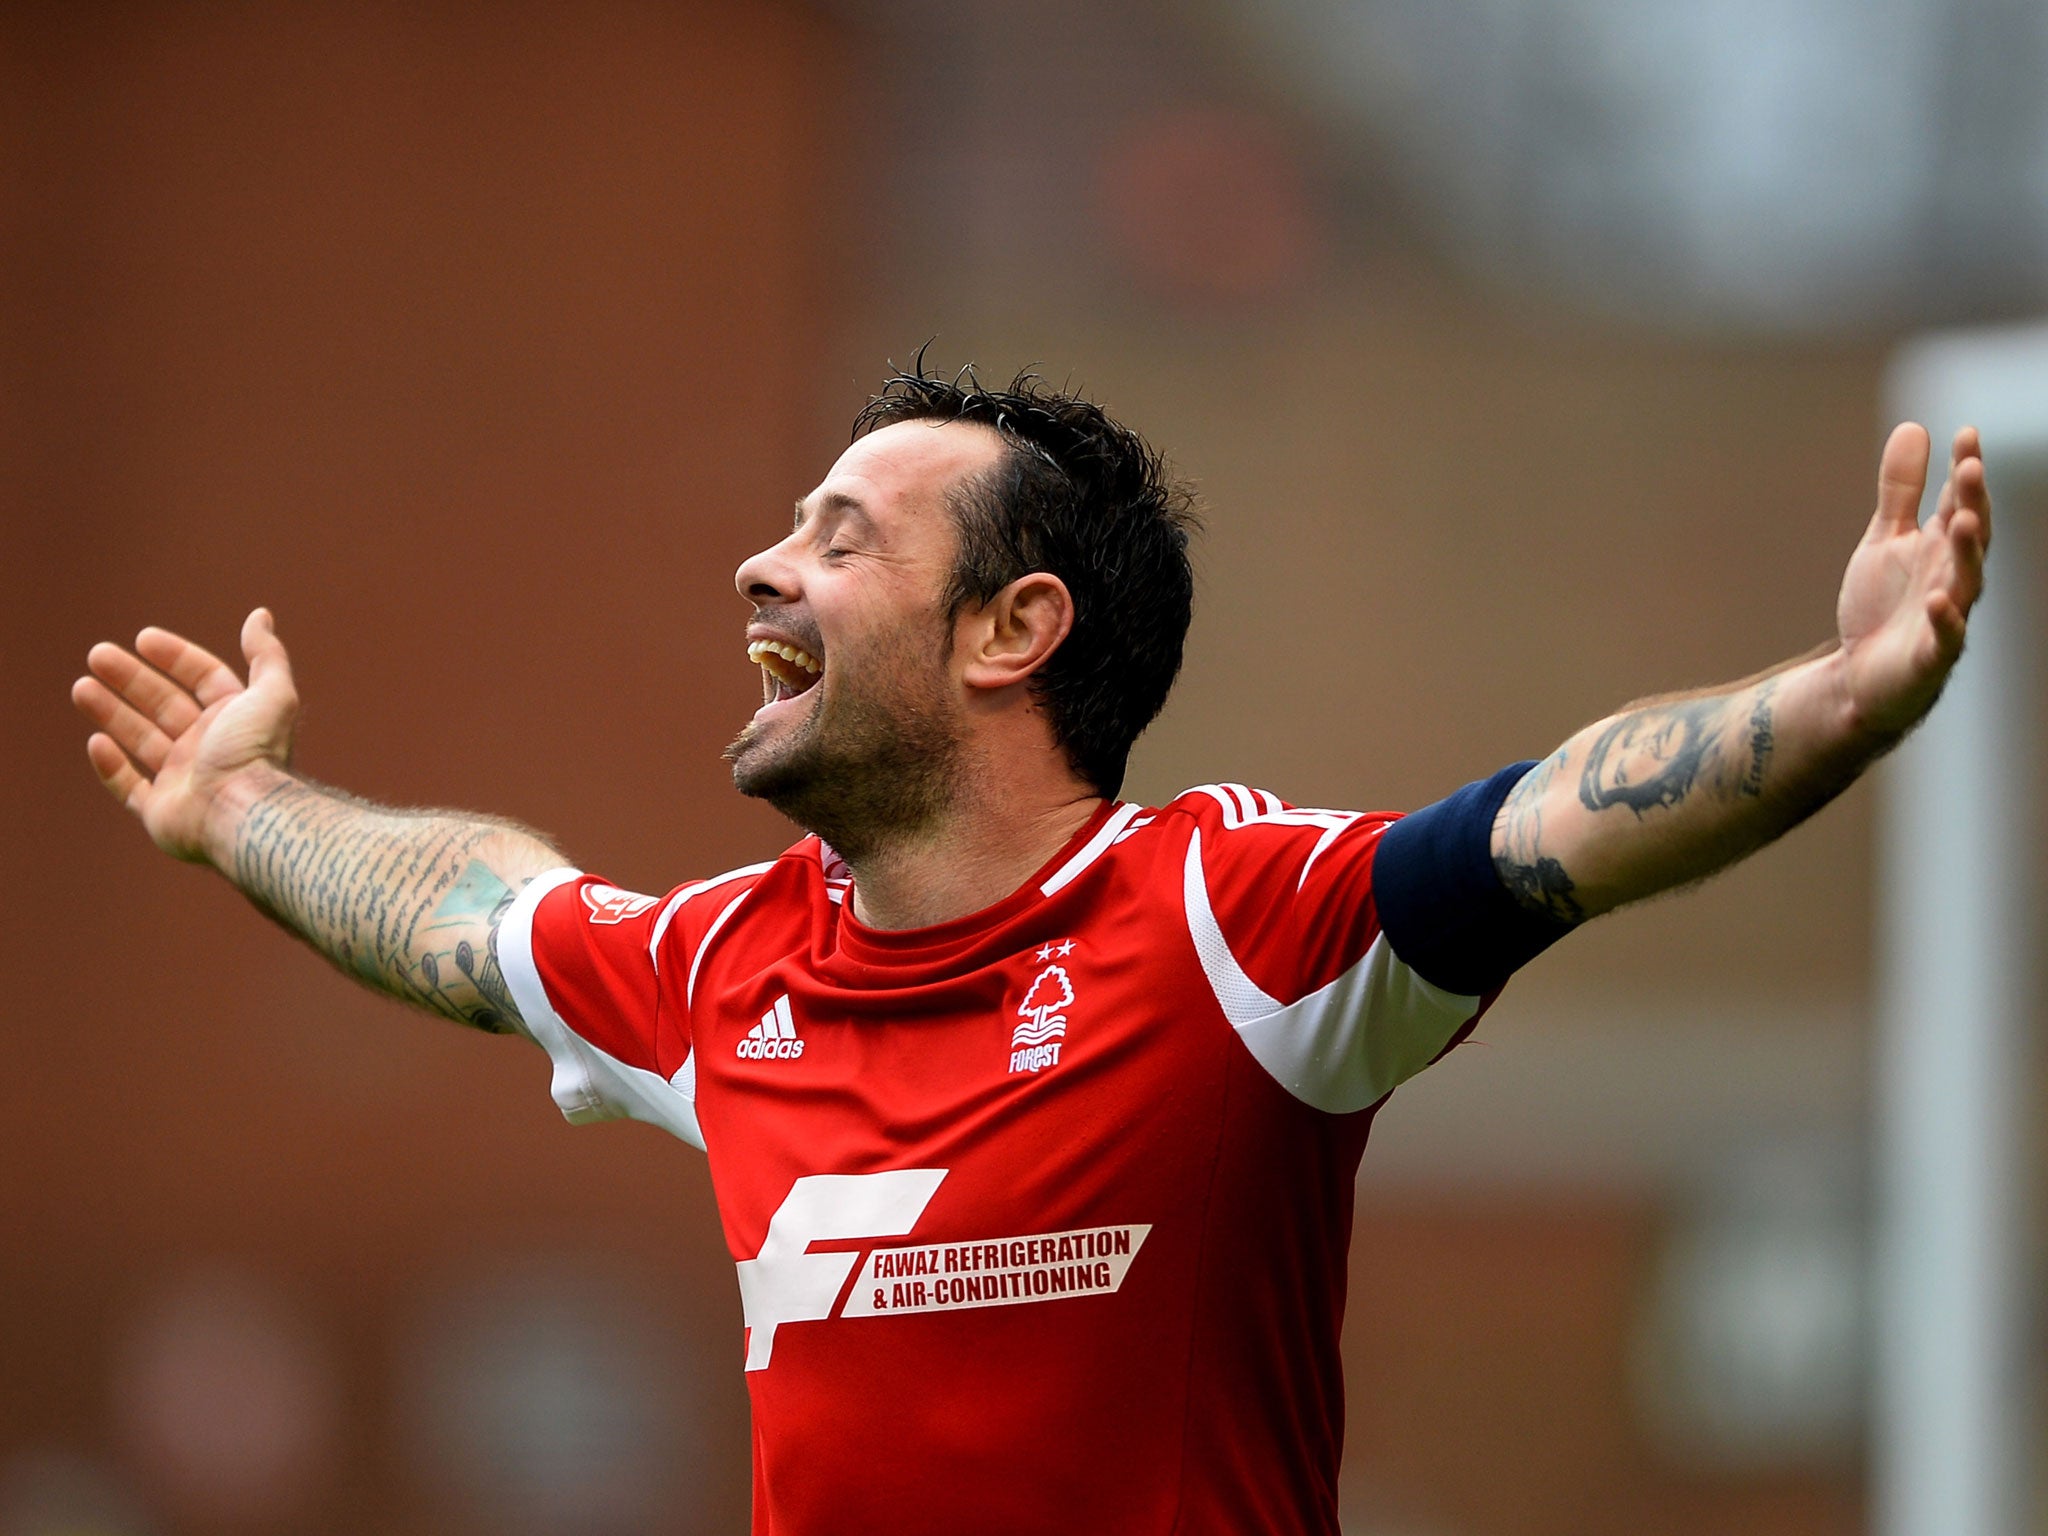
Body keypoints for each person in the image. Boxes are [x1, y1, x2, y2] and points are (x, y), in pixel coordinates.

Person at [73, 367, 1991, 1535]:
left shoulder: (1232, 926)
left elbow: (1551, 819)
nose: (763, 568)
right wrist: (244, 811)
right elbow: (477, 918)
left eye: (840, 537)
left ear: (1012, 632)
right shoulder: (721, 972)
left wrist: (1836, 700)